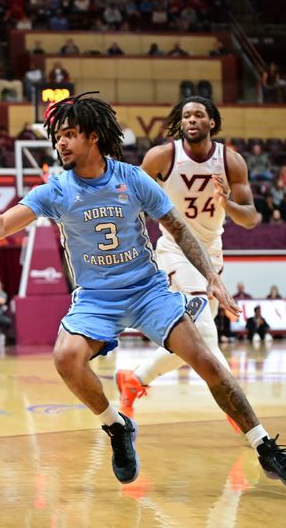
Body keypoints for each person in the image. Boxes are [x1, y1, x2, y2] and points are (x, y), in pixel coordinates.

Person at [0, 92, 286, 488]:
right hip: (97, 298)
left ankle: (264, 446)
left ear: (93, 137)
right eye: (58, 136)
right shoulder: (57, 189)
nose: (61, 142)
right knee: (66, 357)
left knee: (207, 358)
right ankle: (116, 426)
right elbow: (2, 223)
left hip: (148, 290)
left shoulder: (131, 178)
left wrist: (213, 279)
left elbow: (178, 228)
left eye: (69, 134)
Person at [114, 96, 261, 433]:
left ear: (212, 122)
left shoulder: (232, 161)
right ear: (180, 123)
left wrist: (228, 204)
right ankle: (237, 407)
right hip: (174, 249)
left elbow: (251, 218)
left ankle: (135, 380)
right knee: (206, 333)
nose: (192, 119)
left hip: (213, 252)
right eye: (186, 115)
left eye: (199, 114)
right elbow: (127, 197)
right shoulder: (162, 156)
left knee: (193, 340)